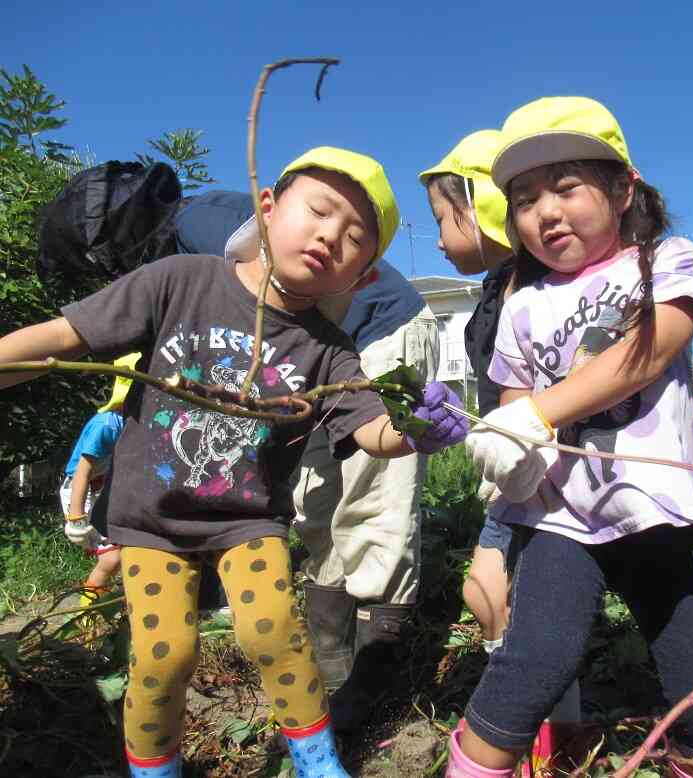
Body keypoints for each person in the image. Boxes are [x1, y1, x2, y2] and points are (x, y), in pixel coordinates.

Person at [0, 146, 468, 778]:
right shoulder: (178, 281)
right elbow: (64, 338)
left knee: (274, 630)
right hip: (151, 523)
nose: (331, 235)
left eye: (356, 238)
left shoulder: (327, 351)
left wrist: (415, 428)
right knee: (164, 658)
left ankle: (319, 764)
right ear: (268, 208)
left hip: (247, 521)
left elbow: (371, 431)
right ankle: (155, 769)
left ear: (360, 278)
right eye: (320, 211)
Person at [452, 97, 693, 777]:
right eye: (524, 199)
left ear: (622, 189)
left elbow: (652, 344)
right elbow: (514, 398)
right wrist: (512, 454)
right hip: (558, 520)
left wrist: (536, 416)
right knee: (528, 666)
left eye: (566, 187)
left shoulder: (663, 258)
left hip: (656, 509)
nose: (545, 211)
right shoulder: (520, 304)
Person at [175, 188, 440, 730]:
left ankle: (375, 670)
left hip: (378, 335)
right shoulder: (194, 231)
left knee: (372, 500)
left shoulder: (195, 228)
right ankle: (333, 658)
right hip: (314, 357)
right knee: (315, 502)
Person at [419, 129, 581, 766]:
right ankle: (534, 717)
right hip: (514, 472)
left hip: (555, 472)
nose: (436, 238)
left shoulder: (548, 288)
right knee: (487, 592)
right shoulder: (494, 293)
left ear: (479, 203)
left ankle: (548, 729)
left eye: (442, 218)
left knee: (523, 602)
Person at [60, 354, 138, 603]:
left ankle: (113, 608)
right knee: (111, 558)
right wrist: (76, 517)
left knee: (130, 552)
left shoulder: (134, 422)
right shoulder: (107, 425)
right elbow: (82, 472)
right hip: (81, 491)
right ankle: (86, 612)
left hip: (108, 488)